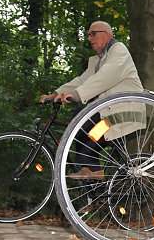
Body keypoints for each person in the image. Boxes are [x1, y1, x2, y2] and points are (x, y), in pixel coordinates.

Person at [40, 21, 143, 180]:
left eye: (93, 33)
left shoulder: (118, 51)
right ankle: (92, 184)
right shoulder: (98, 60)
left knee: (86, 142)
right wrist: (56, 94)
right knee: (79, 123)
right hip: (107, 114)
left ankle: (99, 188)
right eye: (88, 35)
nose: (89, 38)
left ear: (107, 34)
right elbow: (82, 80)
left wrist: (76, 95)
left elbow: (106, 76)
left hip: (120, 115)